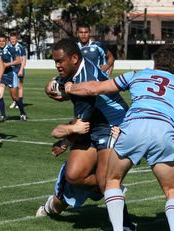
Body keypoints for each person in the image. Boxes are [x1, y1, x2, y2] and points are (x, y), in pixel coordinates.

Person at [65, 44, 174, 231]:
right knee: (173, 191)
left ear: (155, 62)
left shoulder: (137, 75)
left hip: (133, 128)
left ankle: (117, 229)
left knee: (112, 180)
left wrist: (70, 87)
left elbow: (95, 88)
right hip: (163, 132)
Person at [37, 38, 135, 230]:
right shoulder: (75, 69)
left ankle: (125, 224)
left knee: (106, 181)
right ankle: (107, 190)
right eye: (55, 61)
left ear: (74, 58)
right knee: (74, 175)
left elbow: (80, 124)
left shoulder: (85, 81)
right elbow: (53, 88)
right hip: (93, 123)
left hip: (112, 124)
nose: (57, 65)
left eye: (60, 61)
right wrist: (50, 88)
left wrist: (64, 141)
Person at [0, 33, 27, 121]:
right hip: (1, 76)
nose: (1, 43)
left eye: (3, 41)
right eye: (0, 41)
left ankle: (22, 113)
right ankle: (3, 115)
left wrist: (6, 65)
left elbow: (18, 61)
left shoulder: (11, 49)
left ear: (6, 41)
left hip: (11, 75)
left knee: (15, 97)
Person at [8, 31, 27, 109]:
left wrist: (21, 70)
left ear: (17, 39)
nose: (12, 40)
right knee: (11, 86)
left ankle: (19, 102)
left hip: (18, 68)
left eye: (14, 39)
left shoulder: (21, 47)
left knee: (19, 85)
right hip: (11, 69)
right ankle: (14, 101)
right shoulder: (8, 47)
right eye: (11, 39)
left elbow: (24, 59)